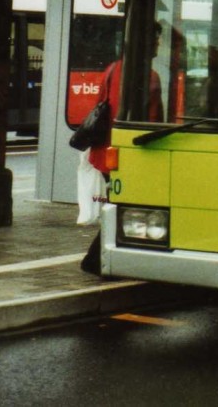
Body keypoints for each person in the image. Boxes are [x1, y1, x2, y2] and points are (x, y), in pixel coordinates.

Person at [81, 24, 164, 274]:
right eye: (156, 40)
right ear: (147, 43)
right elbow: (152, 122)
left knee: (118, 203)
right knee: (122, 205)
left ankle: (100, 258)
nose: (158, 45)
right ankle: (94, 261)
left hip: (105, 150)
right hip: (127, 154)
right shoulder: (149, 76)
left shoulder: (113, 68)